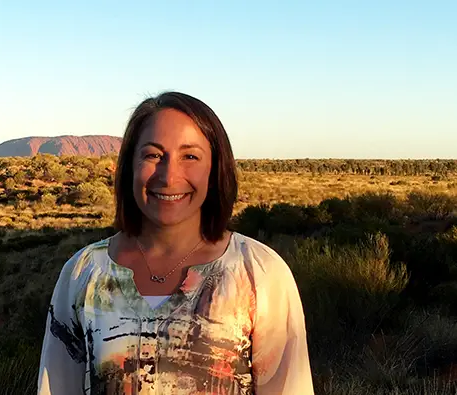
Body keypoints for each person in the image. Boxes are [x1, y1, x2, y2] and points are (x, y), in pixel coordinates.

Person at [38, 91, 313, 394]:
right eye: (153, 155)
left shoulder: (258, 273)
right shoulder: (83, 275)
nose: (169, 177)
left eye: (190, 156)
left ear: (215, 168)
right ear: (130, 165)